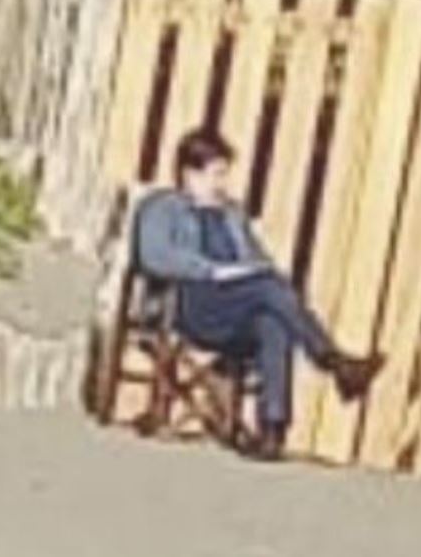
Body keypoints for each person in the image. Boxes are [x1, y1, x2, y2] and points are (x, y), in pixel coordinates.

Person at [135, 128, 384, 461]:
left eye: (224, 174)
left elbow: (258, 261)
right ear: (189, 174)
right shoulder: (164, 208)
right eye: (216, 174)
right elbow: (154, 256)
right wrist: (210, 270)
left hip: (236, 306)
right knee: (269, 287)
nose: (222, 183)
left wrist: (247, 270)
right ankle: (335, 364)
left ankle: (272, 430)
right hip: (190, 304)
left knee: (273, 321)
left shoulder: (232, 214)